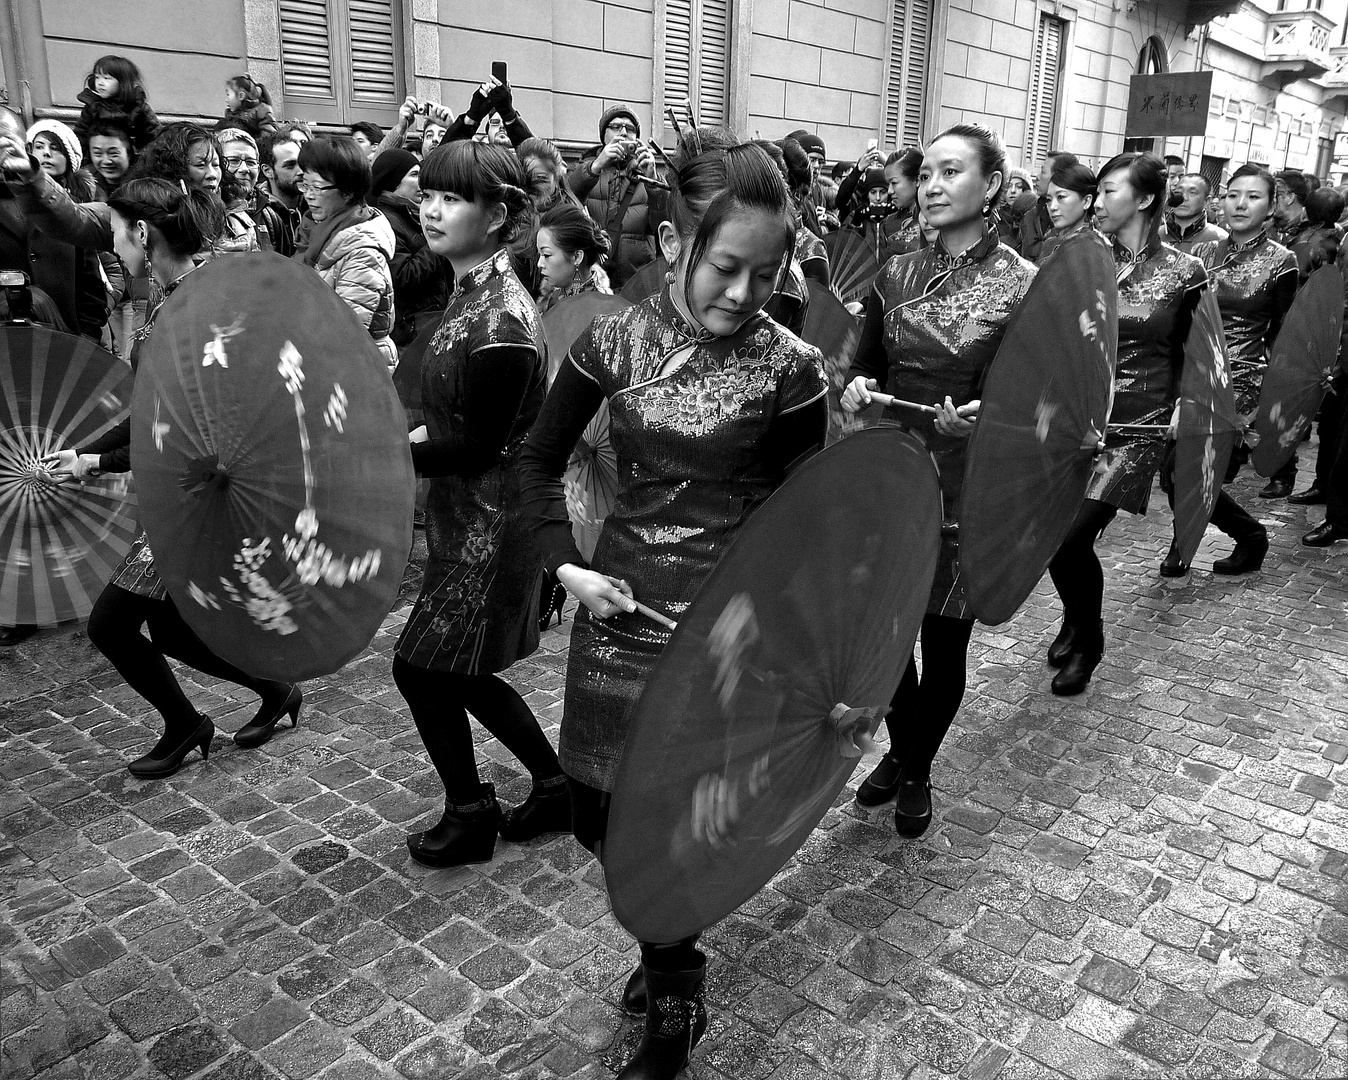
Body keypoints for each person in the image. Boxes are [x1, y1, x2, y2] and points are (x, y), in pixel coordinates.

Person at [519, 133, 828, 1080]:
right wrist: (565, 569)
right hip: (615, 615)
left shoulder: (792, 368)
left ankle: (676, 989)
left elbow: (809, 521)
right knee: (598, 816)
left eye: (768, 275)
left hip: (725, 637)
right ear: (673, 241)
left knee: (680, 820)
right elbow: (533, 463)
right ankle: (662, 941)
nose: (744, 295)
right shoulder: (614, 339)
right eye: (726, 268)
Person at [32, 178, 302, 774]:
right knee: (173, 628)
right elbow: (151, 410)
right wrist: (86, 454)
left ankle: (185, 723)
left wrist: (99, 461)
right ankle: (273, 691)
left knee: (110, 624)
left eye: (116, 234)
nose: (113, 247)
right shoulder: (173, 299)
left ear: (143, 233)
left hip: (197, 495)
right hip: (175, 493)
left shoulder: (195, 311)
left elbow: (183, 433)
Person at [843, 123, 1036, 837]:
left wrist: (985, 422)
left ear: (990, 188)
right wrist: (857, 389)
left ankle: (917, 769)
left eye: (950, 172)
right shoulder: (894, 270)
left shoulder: (1021, 282)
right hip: (892, 471)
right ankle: (903, 750)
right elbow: (864, 364)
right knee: (885, 632)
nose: (930, 186)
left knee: (943, 639)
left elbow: (1031, 400)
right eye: (925, 172)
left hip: (970, 480)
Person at [394, 140, 570, 871]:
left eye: (453, 198)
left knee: (421, 667)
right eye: (427, 193)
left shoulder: (502, 320)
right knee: (456, 668)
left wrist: (381, 455)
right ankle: (556, 785)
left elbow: (477, 447)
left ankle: (470, 811)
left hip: (494, 527)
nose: (431, 209)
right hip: (464, 519)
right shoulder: (470, 293)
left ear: (499, 215)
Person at [1045, 152, 1207, 695]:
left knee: (1070, 540)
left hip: (1140, 428)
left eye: (1111, 190)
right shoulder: (1081, 259)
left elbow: (1199, 350)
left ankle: (1088, 643)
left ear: (1144, 199)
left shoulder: (1186, 272)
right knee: (1055, 537)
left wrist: (1188, 406)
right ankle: (1076, 615)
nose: (1099, 201)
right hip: (1079, 420)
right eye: (1099, 190)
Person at [1165, 163, 1297, 576]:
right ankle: (1243, 535)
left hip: (1240, 382)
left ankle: (1198, 541)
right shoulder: (1201, 253)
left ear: (1272, 205)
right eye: (1233, 194)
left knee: (1189, 467)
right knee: (1177, 471)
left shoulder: (1283, 261)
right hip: (1194, 373)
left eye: (1253, 196)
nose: (1240, 204)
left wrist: (1274, 395)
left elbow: (1284, 335)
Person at [294, 135, 397, 370]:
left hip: (357, 370)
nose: (308, 195)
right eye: (305, 185)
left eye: (317, 187)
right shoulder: (316, 232)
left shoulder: (362, 252)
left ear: (348, 191)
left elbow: (344, 332)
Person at [6, 119, 111, 340]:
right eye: (41, 147)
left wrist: (87, 335)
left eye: (6, 144)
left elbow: (90, 283)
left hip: (64, 346)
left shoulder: (67, 210)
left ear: (25, 150)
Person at [566, 105, 657, 288]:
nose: (623, 133)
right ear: (603, 135)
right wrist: (596, 166)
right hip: (591, 282)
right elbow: (566, 199)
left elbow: (664, 221)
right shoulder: (586, 170)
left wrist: (653, 181)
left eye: (630, 129)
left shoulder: (648, 175)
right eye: (616, 127)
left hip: (635, 285)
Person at [370, 148, 450, 347]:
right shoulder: (386, 222)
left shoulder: (410, 215)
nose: (421, 182)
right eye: (414, 175)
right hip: (412, 333)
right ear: (392, 181)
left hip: (428, 323)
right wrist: (436, 243)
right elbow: (402, 276)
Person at [73, 54, 160, 154]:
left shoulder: (138, 107)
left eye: (106, 78)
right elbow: (80, 136)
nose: (100, 83)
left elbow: (155, 135)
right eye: (97, 77)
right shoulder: (92, 106)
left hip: (133, 160)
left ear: (123, 82)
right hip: (98, 159)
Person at [534, 202, 611, 312]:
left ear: (576, 257)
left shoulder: (598, 311)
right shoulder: (554, 297)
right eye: (539, 254)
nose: (539, 264)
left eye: (546, 255)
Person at [217, 128, 275, 251]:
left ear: (259, 170)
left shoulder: (271, 215)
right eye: (233, 161)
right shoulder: (202, 216)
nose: (244, 168)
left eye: (250, 162)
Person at [1020, 149, 1079, 261]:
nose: (1037, 176)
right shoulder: (1031, 215)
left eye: (1043, 172)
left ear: (1058, 177)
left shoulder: (1076, 222)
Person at [1038, 161, 1096, 264]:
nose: (1052, 207)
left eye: (1061, 197)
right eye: (1049, 199)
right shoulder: (1050, 244)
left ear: (1087, 201)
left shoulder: (1094, 248)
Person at [258, 130, 304, 256]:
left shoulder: (318, 204)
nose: (301, 171)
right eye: (290, 165)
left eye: (302, 163)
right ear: (268, 171)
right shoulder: (258, 213)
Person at [1164, 173, 1226, 252]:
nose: (1184, 198)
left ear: (1207, 201)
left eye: (1192, 193)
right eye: (1178, 192)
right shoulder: (1155, 235)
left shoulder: (1220, 239)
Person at [216, 74, 279, 140]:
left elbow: (269, 137)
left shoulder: (262, 112)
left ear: (241, 96)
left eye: (228, 94)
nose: (226, 100)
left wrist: (251, 144)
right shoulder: (230, 115)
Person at [86, 121, 134, 199]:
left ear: (129, 153)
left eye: (113, 153)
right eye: (98, 153)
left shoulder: (142, 188)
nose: (106, 161)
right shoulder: (85, 185)